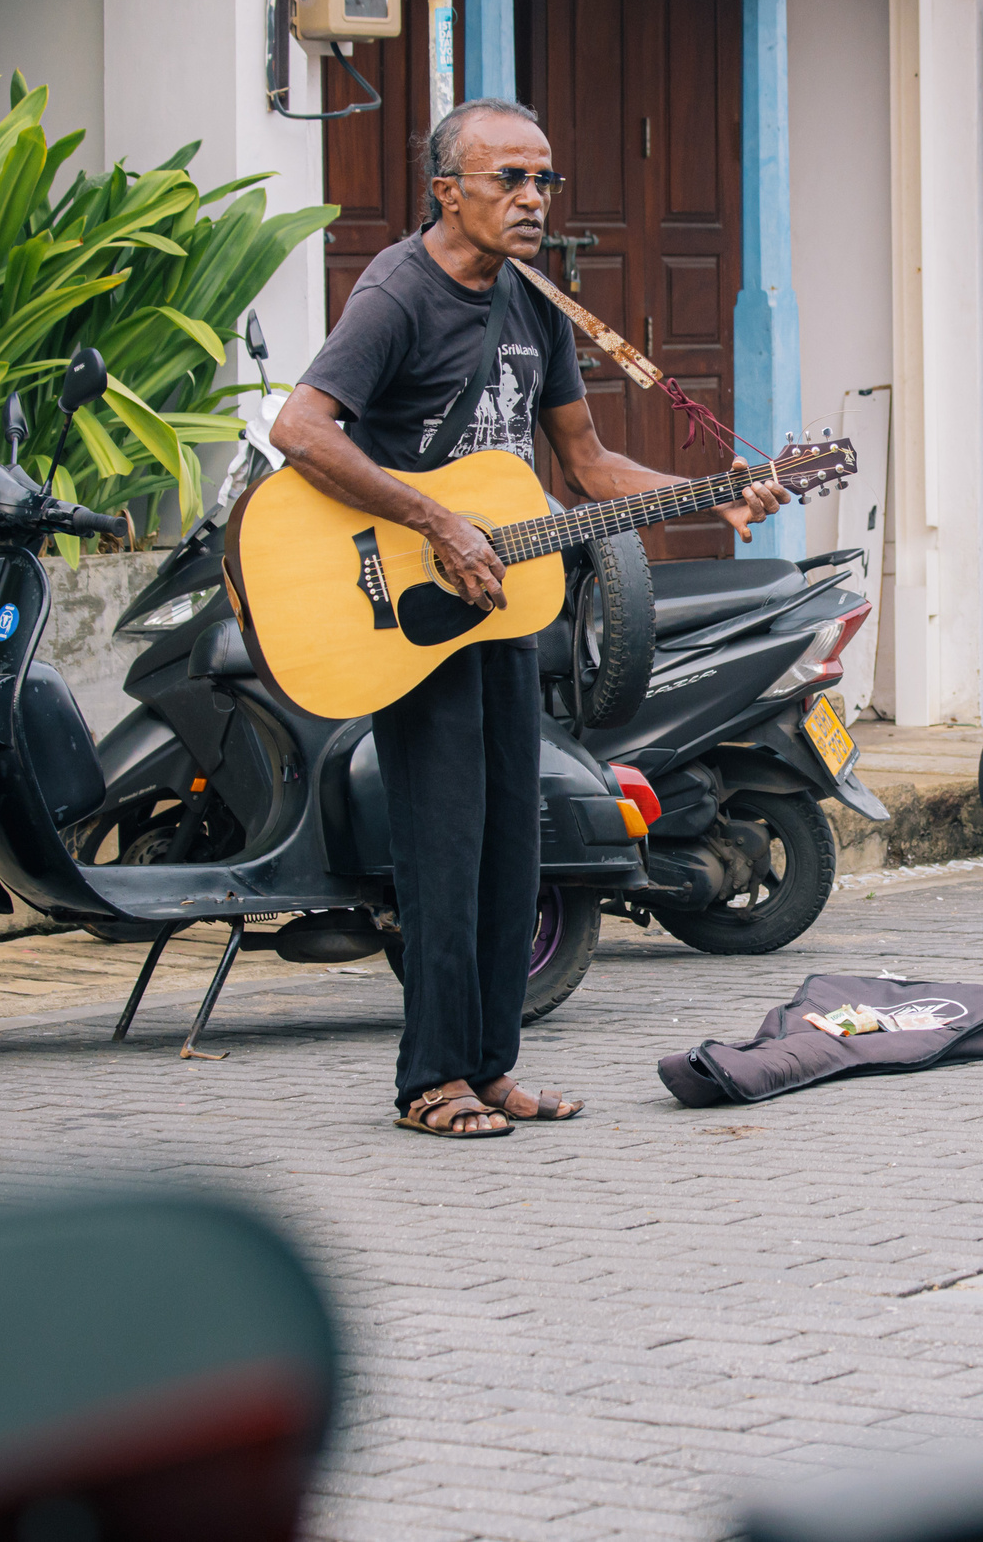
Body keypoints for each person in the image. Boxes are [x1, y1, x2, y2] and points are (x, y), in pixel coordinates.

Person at [270, 98, 788, 1137]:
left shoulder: (537, 304)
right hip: (405, 605)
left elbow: (586, 466)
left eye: (543, 180)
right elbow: (301, 426)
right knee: (441, 845)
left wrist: (709, 493)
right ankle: (430, 1081)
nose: (531, 200)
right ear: (445, 189)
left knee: (516, 837)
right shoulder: (397, 295)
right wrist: (436, 521)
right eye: (507, 179)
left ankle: (492, 1064)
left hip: (505, 608)